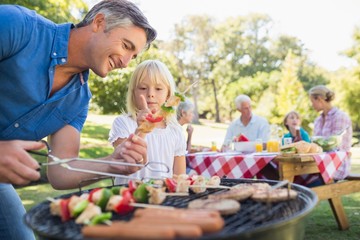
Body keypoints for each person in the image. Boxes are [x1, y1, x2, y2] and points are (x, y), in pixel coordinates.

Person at [0, 1, 156, 239]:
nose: (125, 63)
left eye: (132, 56)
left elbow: (61, 172)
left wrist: (113, 163)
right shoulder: (17, 26)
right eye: (126, 46)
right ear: (99, 22)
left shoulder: (79, 100)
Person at [109, 60, 187, 185]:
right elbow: (125, 161)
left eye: (158, 88)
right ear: (133, 93)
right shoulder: (123, 123)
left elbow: (179, 178)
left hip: (162, 200)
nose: (150, 94)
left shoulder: (175, 131)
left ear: (168, 94)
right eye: (143, 88)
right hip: (128, 198)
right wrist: (142, 130)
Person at [309, 85, 353, 180]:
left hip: (337, 165)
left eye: (312, 101)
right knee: (296, 180)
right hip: (318, 164)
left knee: (303, 186)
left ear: (320, 99)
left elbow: (335, 146)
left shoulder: (340, 117)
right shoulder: (318, 120)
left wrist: (316, 144)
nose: (312, 105)